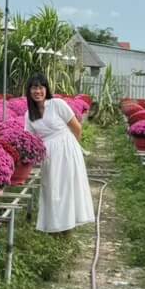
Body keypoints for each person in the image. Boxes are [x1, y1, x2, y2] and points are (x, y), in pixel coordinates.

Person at [24, 73, 94, 234]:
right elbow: (30, 139)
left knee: (68, 186)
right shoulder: (29, 115)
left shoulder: (57, 104)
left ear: (46, 89)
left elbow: (76, 127)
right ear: (29, 91)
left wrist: (72, 148)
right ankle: (54, 226)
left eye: (41, 87)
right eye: (34, 87)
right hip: (49, 156)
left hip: (68, 149)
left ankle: (68, 227)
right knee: (52, 188)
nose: (38, 91)